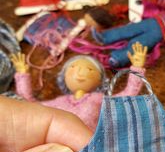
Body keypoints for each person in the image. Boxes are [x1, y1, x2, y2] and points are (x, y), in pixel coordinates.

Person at [11, 42, 147, 131]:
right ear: (63, 76)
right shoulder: (59, 102)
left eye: (89, 69)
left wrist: (137, 67)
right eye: (73, 68)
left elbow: (127, 95)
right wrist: (22, 74)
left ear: (101, 80)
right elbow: (30, 105)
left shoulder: (97, 99)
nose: (80, 72)